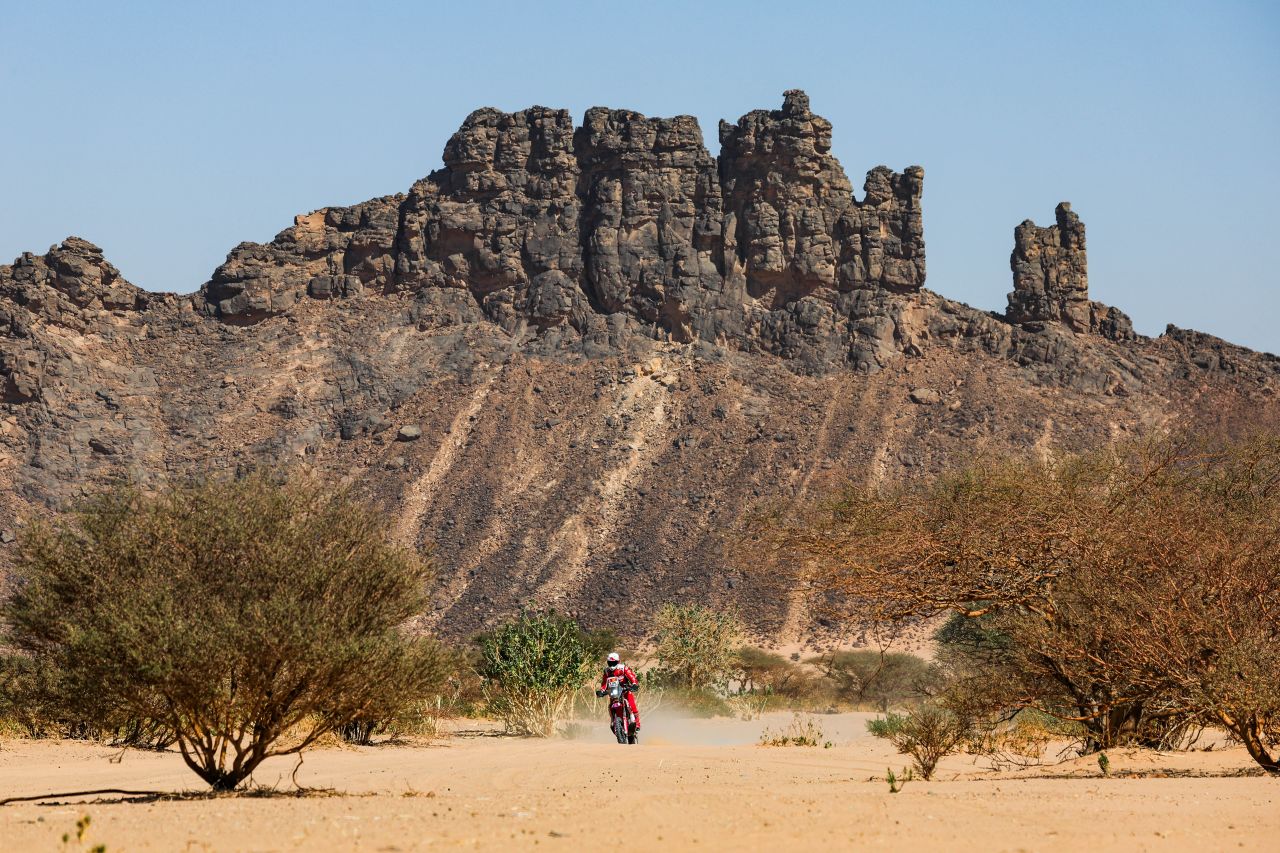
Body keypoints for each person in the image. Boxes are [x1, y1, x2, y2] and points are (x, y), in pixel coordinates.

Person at [597, 651, 640, 731]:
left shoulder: (623, 668)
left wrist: (634, 684)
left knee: (632, 706)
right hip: (614, 692)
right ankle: (613, 721)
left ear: (618, 662)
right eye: (610, 663)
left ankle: (637, 724)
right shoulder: (606, 671)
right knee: (610, 706)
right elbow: (604, 683)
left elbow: (632, 677)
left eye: (614, 663)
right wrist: (601, 691)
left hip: (625, 690)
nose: (612, 665)